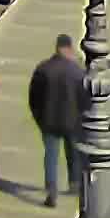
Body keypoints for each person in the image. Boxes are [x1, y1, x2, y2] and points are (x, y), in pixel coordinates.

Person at [31, 35, 90, 207]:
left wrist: (39, 118)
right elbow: (84, 98)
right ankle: (74, 184)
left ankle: (52, 191)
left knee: (51, 156)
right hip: (72, 121)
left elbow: (34, 98)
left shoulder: (44, 69)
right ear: (69, 48)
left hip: (48, 121)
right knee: (73, 154)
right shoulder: (77, 71)